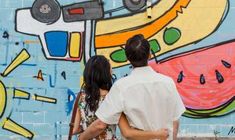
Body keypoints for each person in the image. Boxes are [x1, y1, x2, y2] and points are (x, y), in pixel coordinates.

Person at [79, 34, 186, 140]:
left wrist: (81, 137)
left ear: (127, 58)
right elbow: (175, 121)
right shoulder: (168, 83)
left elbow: (100, 125)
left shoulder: (121, 87)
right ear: (149, 55)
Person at [72, 55, 169, 139]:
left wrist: (86, 131)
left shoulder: (81, 96)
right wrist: (157, 134)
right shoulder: (111, 97)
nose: (112, 71)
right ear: (105, 74)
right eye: (110, 69)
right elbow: (126, 132)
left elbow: (75, 129)